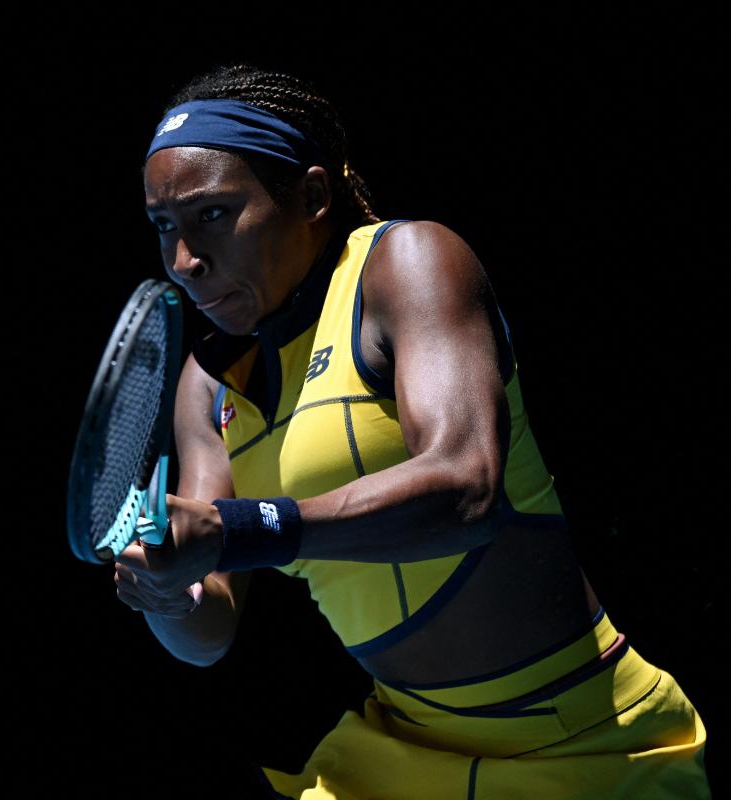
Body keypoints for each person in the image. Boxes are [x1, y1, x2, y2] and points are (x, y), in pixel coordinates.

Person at [113, 64, 710, 799]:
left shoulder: (406, 264)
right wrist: (170, 591)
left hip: (584, 740)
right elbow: (211, 628)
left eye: (212, 215)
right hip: (402, 745)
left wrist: (239, 526)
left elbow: (467, 487)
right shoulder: (205, 386)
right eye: (163, 227)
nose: (185, 263)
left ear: (312, 196)